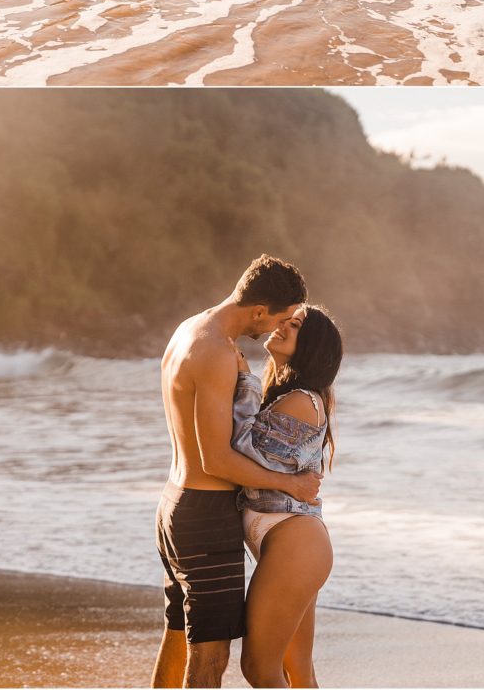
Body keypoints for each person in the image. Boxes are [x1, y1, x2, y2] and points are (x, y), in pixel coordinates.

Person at [153, 254, 318, 690]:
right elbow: (217, 460)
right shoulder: (216, 352)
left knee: (178, 638)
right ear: (259, 310)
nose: (274, 330)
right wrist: (291, 483)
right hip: (205, 514)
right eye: (278, 320)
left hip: (175, 500)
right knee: (210, 656)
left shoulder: (189, 330)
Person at [235, 304, 344, 690]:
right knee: (297, 672)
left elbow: (240, 447)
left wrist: (242, 378)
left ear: (310, 345)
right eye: (284, 320)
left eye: (294, 325)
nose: (281, 327)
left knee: (260, 670)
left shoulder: (302, 401)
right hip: (293, 543)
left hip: (297, 545)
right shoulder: (288, 395)